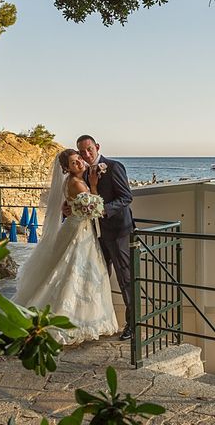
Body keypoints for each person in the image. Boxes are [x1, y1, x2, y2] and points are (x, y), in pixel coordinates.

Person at [14, 149, 118, 344]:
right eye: (73, 162)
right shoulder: (77, 183)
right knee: (72, 273)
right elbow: (94, 209)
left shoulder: (74, 180)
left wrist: (74, 205)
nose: (79, 162)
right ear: (66, 168)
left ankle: (83, 319)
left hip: (76, 228)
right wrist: (94, 186)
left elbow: (75, 205)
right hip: (79, 232)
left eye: (79, 158)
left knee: (74, 274)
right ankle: (71, 322)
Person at [74, 135, 135, 341]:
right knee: (98, 277)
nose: (87, 154)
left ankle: (132, 324)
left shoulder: (114, 166)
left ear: (97, 147)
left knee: (125, 278)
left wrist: (102, 210)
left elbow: (126, 197)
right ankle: (98, 320)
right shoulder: (82, 174)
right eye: (82, 152)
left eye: (89, 149)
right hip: (95, 235)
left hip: (118, 232)